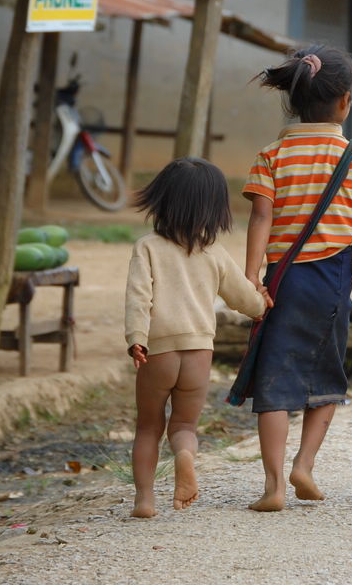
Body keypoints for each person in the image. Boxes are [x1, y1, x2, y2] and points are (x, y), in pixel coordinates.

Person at [242, 44, 352, 512]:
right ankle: (304, 464)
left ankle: (273, 487)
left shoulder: (271, 154)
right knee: (327, 375)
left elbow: (260, 219)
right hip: (331, 277)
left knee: (274, 379)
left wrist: (252, 277)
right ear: (346, 101)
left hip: (282, 277)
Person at [124, 158, 271, 518]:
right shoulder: (215, 254)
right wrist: (260, 303)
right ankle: (185, 456)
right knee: (185, 426)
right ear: (215, 210)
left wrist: (136, 338)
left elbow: (138, 297)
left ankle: (144, 500)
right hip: (199, 352)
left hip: (158, 351)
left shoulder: (148, 248)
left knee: (148, 425)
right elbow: (245, 300)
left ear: (161, 201)